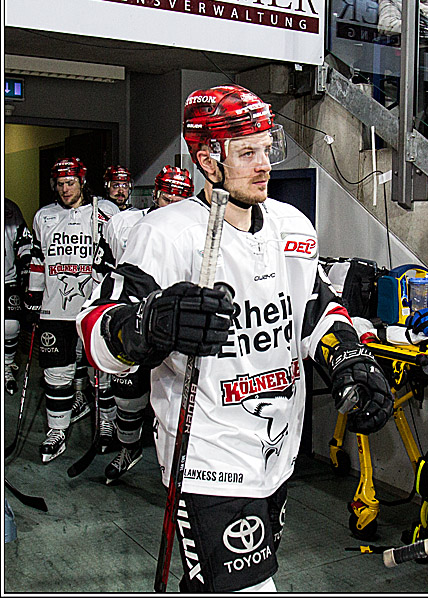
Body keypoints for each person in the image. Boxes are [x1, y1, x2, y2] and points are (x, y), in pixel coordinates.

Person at [76, 85, 394, 592]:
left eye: (267, 148)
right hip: (207, 458)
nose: (263, 164)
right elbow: (95, 330)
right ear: (207, 158)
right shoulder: (166, 233)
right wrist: (149, 325)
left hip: (276, 452)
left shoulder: (292, 225)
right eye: (247, 152)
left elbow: (314, 309)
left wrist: (349, 360)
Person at [96, 165, 195, 485]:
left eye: (179, 198)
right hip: (139, 322)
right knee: (128, 398)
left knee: (180, 402)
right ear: (155, 193)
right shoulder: (126, 224)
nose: (172, 205)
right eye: (167, 197)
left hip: (179, 327)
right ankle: (128, 448)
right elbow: (107, 270)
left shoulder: (197, 229)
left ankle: (186, 471)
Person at [27, 158, 119, 462]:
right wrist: (32, 297)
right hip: (55, 310)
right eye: (61, 183)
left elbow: (121, 257)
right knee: (56, 373)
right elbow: (38, 260)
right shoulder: (44, 216)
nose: (66, 189)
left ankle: (106, 424)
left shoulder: (106, 212)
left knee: (102, 371)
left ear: (82, 181)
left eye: (71, 182)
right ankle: (57, 431)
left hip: (94, 309)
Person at [4, 198, 32, 394]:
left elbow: (24, 242)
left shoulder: (10, 208)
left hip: (7, 278)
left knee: (11, 325)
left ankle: (6, 365)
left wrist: (26, 271)